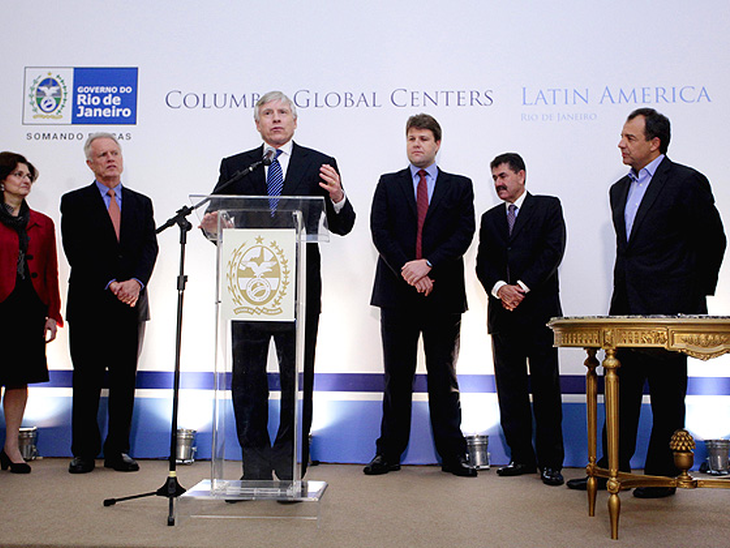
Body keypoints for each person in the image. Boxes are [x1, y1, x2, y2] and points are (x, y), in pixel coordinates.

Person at [567, 108, 726, 498]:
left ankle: (661, 476)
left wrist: (690, 299)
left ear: (655, 143)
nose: (621, 143)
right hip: (625, 310)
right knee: (619, 392)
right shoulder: (618, 189)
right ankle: (612, 469)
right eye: (622, 136)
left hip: (671, 314)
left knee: (668, 397)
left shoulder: (687, 181)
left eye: (630, 137)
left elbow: (713, 241)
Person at [201, 91, 356, 480]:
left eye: (282, 112)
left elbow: (343, 223)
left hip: (300, 287)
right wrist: (210, 226)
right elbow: (214, 218)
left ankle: (288, 462)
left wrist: (337, 196)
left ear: (295, 120)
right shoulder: (237, 165)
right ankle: (253, 463)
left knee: (296, 377)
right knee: (247, 378)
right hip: (250, 286)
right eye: (267, 113)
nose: (275, 119)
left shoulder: (319, 163)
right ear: (257, 123)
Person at [365, 113, 476, 477]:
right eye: (412, 138)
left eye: (424, 138)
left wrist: (427, 264)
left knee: (444, 377)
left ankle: (452, 455)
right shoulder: (388, 183)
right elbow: (380, 232)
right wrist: (408, 271)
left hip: (442, 295)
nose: (417, 144)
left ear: (437, 144)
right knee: (396, 377)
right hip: (397, 295)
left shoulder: (460, 186)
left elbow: (463, 235)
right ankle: (388, 453)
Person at [61, 133, 158, 474]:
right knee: (86, 378)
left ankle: (118, 450)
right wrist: (111, 282)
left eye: (115, 153)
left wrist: (136, 282)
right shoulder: (73, 201)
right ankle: (84, 452)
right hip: (90, 302)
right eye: (102, 155)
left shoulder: (141, 203)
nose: (110, 159)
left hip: (129, 303)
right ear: (90, 163)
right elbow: (76, 249)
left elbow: (150, 248)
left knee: (123, 379)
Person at [475, 152, 566, 486]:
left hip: (539, 314)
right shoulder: (490, 218)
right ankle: (521, 457)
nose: (499, 183)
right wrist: (501, 290)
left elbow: (552, 253)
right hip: (503, 316)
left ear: (521, 176)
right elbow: (483, 264)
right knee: (510, 391)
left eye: (504, 176)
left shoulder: (547, 207)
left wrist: (521, 288)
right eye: (495, 178)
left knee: (545, 389)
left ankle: (551, 462)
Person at [0, 152, 63, 474]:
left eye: (28, 176)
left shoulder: (42, 222)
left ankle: (12, 446)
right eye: (18, 175)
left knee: (18, 378)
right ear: (2, 181)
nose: (25, 180)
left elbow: (51, 270)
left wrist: (53, 312)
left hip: (27, 306)